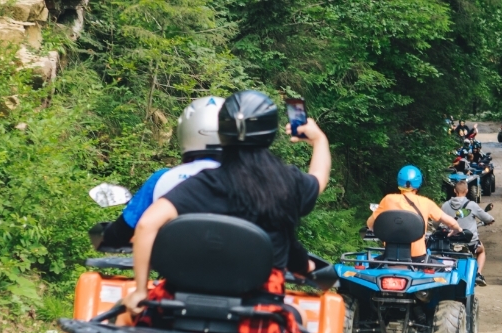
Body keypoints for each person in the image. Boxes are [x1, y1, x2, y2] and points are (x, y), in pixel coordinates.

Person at [123, 90, 331, 315]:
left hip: (184, 307)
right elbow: (319, 178)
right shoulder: (288, 182)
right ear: (270, 134)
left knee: (126, 318)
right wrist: (319, 140)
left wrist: (141, 291)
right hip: (259, 313)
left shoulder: (204, 183)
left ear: (221, 133)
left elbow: (146, 225)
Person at [98, 96, 225, 248]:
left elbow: (118, 235)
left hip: (175, 270)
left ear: (185, 132)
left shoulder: (161, 179)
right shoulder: (251, 181)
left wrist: (107, 234)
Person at [368, 165, 462, 262]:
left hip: (389, 257)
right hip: (417, 259)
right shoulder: (426, 202)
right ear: (418, 183)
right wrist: (457, 229)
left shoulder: (388, 199)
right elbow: (451, 222)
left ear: (399, 181)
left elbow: (370, 224)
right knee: (444, 269)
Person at [441, 179, 494, 285]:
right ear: (467, 191)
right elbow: (489, 219)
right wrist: (488, 221)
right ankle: (478, 274)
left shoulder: (445, 205)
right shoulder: (472, 205)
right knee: (481, 251)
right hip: (470, 243)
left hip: (449, 243)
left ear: (454, 191)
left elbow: (436, 223)